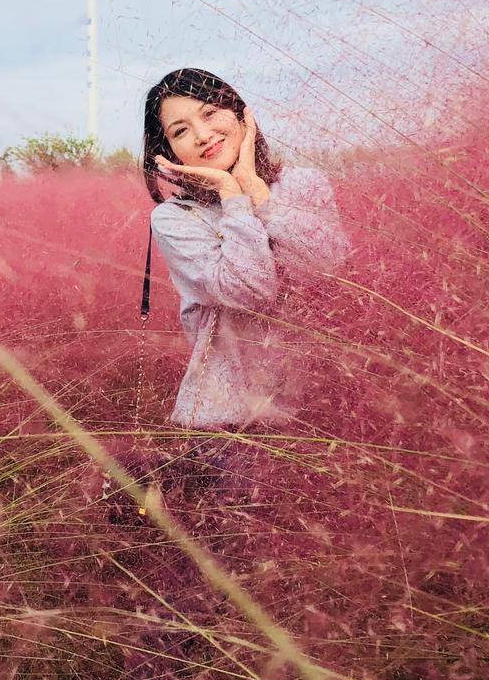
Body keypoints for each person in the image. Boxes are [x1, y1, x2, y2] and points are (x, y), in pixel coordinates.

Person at [140, 68, 351, 436]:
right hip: (228, 422)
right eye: (180, 131)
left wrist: (256, 192)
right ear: (167, 153)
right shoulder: (175, 218)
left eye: (209, 113)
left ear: (242, 114)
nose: (203, 135)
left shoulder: (304, 184)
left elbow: (329, 267)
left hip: (322, 410)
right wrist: (232, 197)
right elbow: (250, 290)